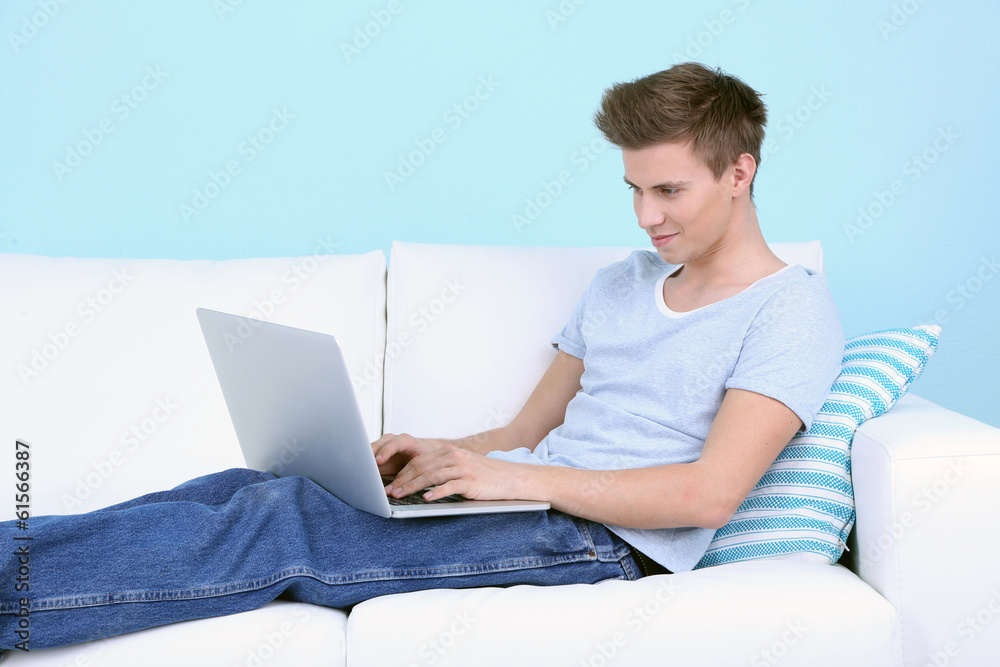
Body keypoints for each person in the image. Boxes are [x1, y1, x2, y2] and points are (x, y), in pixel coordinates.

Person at [0, 62, 843, 651]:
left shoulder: (789, 307)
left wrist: (519, 478)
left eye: (669, 191)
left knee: (281, 522)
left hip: (609, 544)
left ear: (740, 172)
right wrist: (433, 455)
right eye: (632, 188)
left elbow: (710, 492)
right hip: (534, 501)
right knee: (247, 488)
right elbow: (524, 428)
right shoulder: (619, 284)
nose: (645, 216)